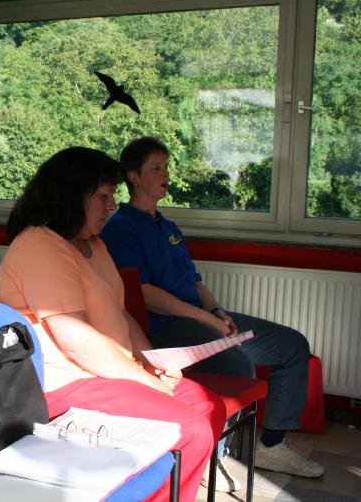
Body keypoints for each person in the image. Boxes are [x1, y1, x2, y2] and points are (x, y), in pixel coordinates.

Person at [0, 146, 228, 502]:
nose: (113, 206)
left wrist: (151, 362)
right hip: (64, 386)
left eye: (114, 195)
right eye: (104, 196)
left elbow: (122, 315)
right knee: (191, 430)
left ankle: (157, 489)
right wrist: (146, 381)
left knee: (210, 406)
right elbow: (77, 343)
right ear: (70, 196)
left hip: (105, 375)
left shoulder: (94, 245)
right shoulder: (40, 246)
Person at [100, 136, 323, 489]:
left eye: (166, 167)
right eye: (156, 168)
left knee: (291, 345)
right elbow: (143, 294)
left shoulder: (169, 227)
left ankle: (272, 446)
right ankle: (214, 456)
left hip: (198, 316)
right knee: (237, 364)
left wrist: (217, 311)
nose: (165, 174)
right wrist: (206, 319)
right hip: (166, 327)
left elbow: (194, 280)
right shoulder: (121, 227)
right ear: (133, 177)